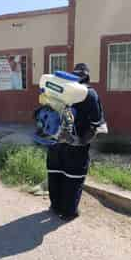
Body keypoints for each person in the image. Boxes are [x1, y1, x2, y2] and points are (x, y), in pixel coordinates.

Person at [47, 63, 106, 221]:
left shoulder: (56, 90)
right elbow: (96, 124)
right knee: (73, 177)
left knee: (55, 173)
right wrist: (80, 141)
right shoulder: (90, 94)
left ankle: (55, 206)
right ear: (87, 77)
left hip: (54, 141)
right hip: (75, 144)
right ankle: (68, 212)